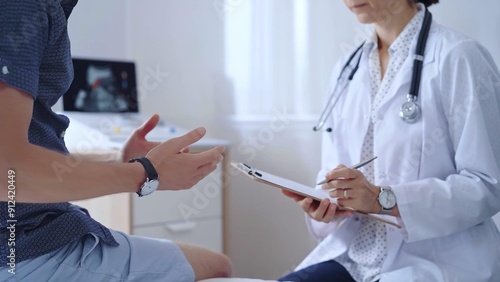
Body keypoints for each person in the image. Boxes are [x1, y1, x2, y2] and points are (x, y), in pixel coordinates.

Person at [0, 0, 232, 281]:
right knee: (218, 268)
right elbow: (8, 173)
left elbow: (20, 153)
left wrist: (122, 164)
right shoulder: (23, 7)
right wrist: (146, 172)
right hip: (19, 250)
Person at [279, 0, 500, 281]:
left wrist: (384, 200)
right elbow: (332, 169)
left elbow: (487, 185)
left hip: (434, 263)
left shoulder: (460, 57)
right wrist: (328, 203)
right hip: (353, 259)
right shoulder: (347, 69)